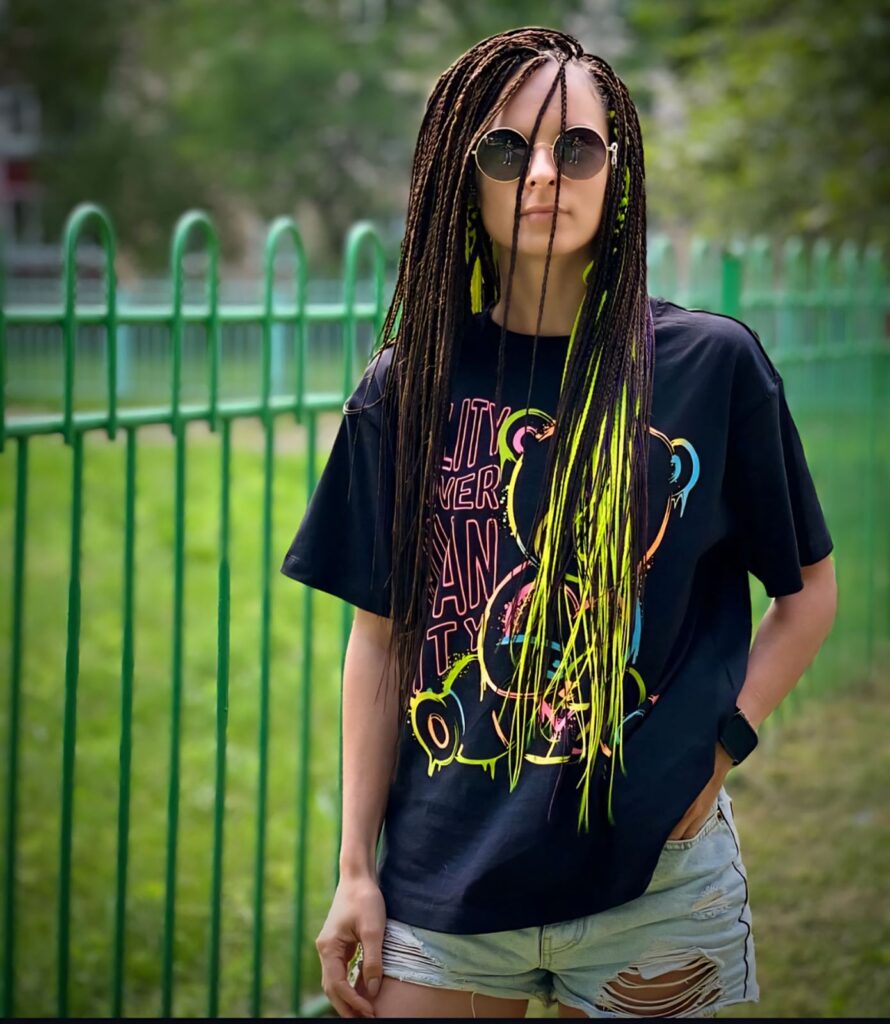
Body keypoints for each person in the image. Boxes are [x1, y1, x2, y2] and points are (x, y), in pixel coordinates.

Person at [280, 26, 837, 1020]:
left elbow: (807, 595)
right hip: (443, 882)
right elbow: (381, 639)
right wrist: (354, 867)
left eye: (575, 147)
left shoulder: (711, 366)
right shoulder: (405, 390)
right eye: (507, 150)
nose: (542, 174)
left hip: (652, 883)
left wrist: (715, 752)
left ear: (616, 169)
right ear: (464, 177)